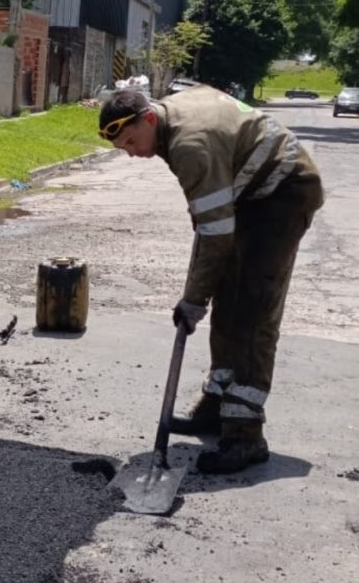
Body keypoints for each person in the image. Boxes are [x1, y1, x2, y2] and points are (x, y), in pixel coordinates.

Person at [98, 84, 323, 474]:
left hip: (285, 192)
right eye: (124, 149)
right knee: (227, 296)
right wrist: (204, 286)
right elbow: (208, 214)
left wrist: (192, 299)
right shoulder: (167, 121)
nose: (132, 153)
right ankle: (218, 406)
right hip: (248, 195)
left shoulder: (190, 145)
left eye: (132, 141)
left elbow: (216, 233)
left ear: (148, 117)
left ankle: (245, 435)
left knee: (253, 308)